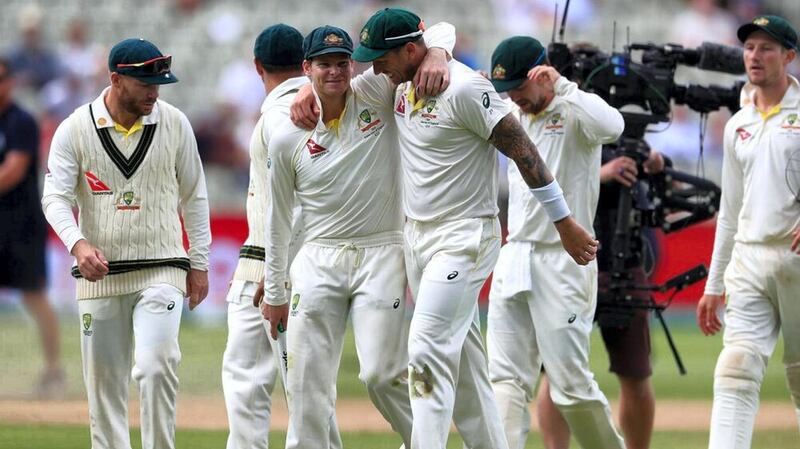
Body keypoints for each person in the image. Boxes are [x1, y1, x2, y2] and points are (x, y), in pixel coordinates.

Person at [341, 8, 598, 449]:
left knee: (425, 349)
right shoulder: (397, 85)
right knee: (465, 364)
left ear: (408, 50)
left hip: (465, 236)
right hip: (417, 238)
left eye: (380, 57)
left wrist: (564, 221)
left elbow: (525, 152)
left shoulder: (465, 87)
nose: (373, 66)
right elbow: (427, 36)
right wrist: (438, 46)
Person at [263, 24, 453, 449]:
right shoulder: (286, 137)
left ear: (353, 64)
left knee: (382, 375)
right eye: (324, 65)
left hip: (381, 252)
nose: (334, 72)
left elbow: (436, 29)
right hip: (318, 257)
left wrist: (438, 52)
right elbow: (276, 220)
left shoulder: (376, 92)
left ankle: (426, 443)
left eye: (342, 63)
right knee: (306, 387)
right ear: (307, 68)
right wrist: (275, 291)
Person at [41, 38, 211, 449]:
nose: (155, 92)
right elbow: (55, 198)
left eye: (159, 83)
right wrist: (78, 245)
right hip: (99, 275)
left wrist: (199, 262)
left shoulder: (175, 123)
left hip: (163, 267)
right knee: (104, 391)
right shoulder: (74, 129)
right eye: (145, 83)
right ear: (116, 79)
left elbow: (195, 195)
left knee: (156, 366)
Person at [485, 36, 626, 449]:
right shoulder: (512, 110)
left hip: (565, 258)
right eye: (507, 91)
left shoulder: (573, 108)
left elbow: (613, 126)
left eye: (520, 88)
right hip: (516, 254)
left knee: (570, 386)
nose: (515, 98)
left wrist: (564, 87)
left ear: (542, 73)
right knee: (505, 379)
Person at [221, 23, 342, 449]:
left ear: (258, 66)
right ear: (306, 64)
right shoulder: (315, 105)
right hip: (278, 265)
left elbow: (291, 204)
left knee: (259, 392)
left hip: (277, 269)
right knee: (306, 395)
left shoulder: (283, 113)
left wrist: (279, 280)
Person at [697, 15, 800, 449]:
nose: (755, 56)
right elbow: (729, 210)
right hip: (749, 260)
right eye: (750, 48)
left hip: (796, 260)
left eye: (767, 48)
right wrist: (714, 283)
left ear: (789, 57)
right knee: (735, 368)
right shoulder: (739, 123)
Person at [536, 143, 665, 449]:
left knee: (636, 372)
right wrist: (602, 173)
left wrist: (657, 164)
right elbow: (539, 178)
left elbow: (658, 180)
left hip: (624, 262)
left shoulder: (622, 127)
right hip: (569, 263)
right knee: (557, 372)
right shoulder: (564, 118)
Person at [0, 57, 65, 399]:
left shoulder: (20, 121)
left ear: (10, 83)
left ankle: (54, 370)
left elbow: (13, 171)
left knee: (34, 295)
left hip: (21, 225)